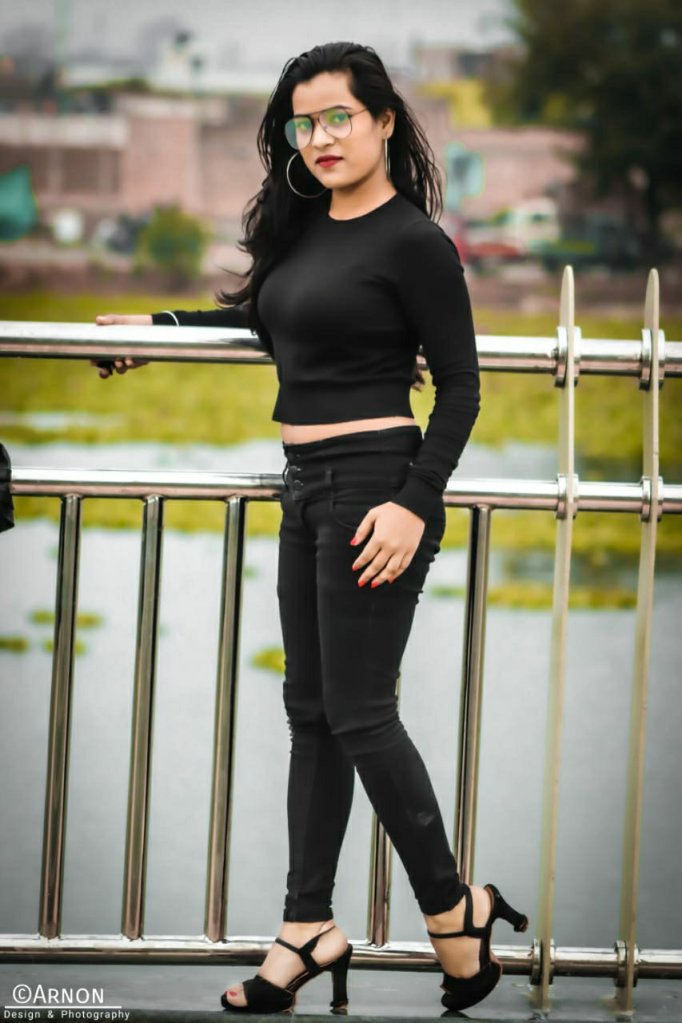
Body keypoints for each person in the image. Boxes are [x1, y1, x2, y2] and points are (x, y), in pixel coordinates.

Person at [91, 40, 528, 1016]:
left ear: (383, 121)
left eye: (339, 117)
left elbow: (461, 388)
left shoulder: (415, 242)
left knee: (361, 712)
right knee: (312, 712)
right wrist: (156, 333)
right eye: (303, 123)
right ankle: (306, 927)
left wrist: (414, 502)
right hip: (304, 489)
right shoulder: (301, 229)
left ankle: (453, 908)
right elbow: (259, 320)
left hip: (376, 490)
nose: (321, 137)